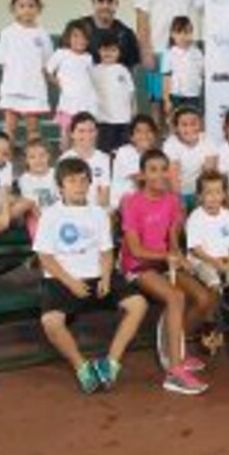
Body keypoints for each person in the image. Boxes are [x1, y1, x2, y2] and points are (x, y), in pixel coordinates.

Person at [35, 157, 148, 393]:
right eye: (72, 180)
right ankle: (82, 367)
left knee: (138, 304)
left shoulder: (98, 213)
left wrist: (106, 277)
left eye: (83, 180)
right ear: (61, 186)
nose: (78, 185)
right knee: (51, 322)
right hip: (62, 279)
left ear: (89, 184)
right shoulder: (50, 215)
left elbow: (106, 251)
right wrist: (71, 282)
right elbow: (45, 257)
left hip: (98, 276)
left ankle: (111, 363)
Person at [120, 149, 215, 395]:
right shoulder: (131, 203)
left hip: (163, 263)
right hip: (137, 266)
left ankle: (175, 347)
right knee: (176, 297)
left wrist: (178, 256)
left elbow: (171, 238)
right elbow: (135, 249)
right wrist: (167, 256)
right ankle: (174, 371)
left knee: (204, 299)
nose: (160, 175)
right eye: (153, 170)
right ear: (142, 175)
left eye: (164, 169)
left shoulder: (172, 200)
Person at [135, 0, 202, 127]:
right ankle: (158, 145)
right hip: (158, 50)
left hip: (184, 51)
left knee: (181, 104)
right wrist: (145, 50)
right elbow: (142, 15)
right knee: (157, 101)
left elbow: (203, 7)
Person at [185, 170, 229, 338]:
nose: (214, 197)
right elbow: (195, 248)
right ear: (200, 196)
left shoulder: (227, 215)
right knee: (213, 287)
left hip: (226, 259)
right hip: (203, 260)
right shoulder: (196, 217)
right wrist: (214, 262)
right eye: (208, 193)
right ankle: (209, 321)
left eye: (218, 192)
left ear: (224, 194)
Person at [0, 0, 53, 142]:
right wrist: (14, 81)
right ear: (13, 10)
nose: (27, 9)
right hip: (12, 88)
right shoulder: (7, 33)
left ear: (39, 9)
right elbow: (2, 63)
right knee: (9, 128)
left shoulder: (43, 34)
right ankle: (6, 163)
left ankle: (34, 165)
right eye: (22, 5)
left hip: (34, 89)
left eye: (31, 5)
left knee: (33, 129)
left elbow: (47, 64)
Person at [47, 20, 97, 150]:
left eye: (83, 37)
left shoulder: (88, 57)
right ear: (68, 37)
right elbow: (47, 71)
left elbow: (92, 78)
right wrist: (59, 83)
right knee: (66, 133)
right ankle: (65, 160)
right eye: (75, 35)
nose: (79, 40)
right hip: (67, 102)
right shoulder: (61, 54)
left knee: (86, 133)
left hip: (86, 102)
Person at [162, 106, 217, 209]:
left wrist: (202, 200)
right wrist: (180, 204)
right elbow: (174, 180)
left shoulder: (208, 141)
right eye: (184, 125)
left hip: (199, 191)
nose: (189, 128)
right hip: (177, 191)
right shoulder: (170, 144)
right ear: (176, 128)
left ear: (200, 125)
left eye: (193, 124)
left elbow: (208, 174)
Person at [91, 33, 136, 154]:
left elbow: (131, 93)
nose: (108, 53)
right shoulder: (94, 70)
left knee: (123, 153)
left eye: (113, 50)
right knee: (104, 152)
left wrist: (133, 113)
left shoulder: (123, 70)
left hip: (124, 121)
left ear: (119, 52)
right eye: (105, 50)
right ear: (99, 51)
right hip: (103, 121)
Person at [77, 0, 140, 69]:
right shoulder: (78, 29)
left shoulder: (126, 34)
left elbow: (134, 69)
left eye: (110, 1)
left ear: (117, 4)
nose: (105, 6)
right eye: (100, 1)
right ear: (93, 3)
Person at [59, 112, 110, 208]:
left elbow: (104, 193)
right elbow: (63, 194)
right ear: (72, 134)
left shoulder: (104, 158)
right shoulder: (64, 159)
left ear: (97, 132)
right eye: (81, 131)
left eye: (91, 130)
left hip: (95, 212)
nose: (87, 135)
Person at [110, 114, 158, 210]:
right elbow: (139, 179)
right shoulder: (124, 152)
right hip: (122, 203)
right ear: (132, 137)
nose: (144, 135)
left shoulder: (157, 154)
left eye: (149, 131)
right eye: (139, 131)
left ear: (155, 135)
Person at [162, 15, 204, 119]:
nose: (183, 36)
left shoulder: (197, 53)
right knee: (175, 120)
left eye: (187, 32)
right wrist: (166, 100)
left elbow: (203, 73)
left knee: (192, 120)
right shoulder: (169, 54)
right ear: (172, 34)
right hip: (176, 96)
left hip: (193, 95)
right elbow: (166, 78)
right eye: (179, 32)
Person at [18, 138, 59, 238]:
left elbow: (62, 198)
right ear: (26, 160)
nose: (38, 160)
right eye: (32, 157)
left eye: (42, 155)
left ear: (48, 156)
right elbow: (32, 205)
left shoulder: (55, 174)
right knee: (40, 234)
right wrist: (44, 222)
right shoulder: (25, 179)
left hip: (58, 214)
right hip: (36, 216)